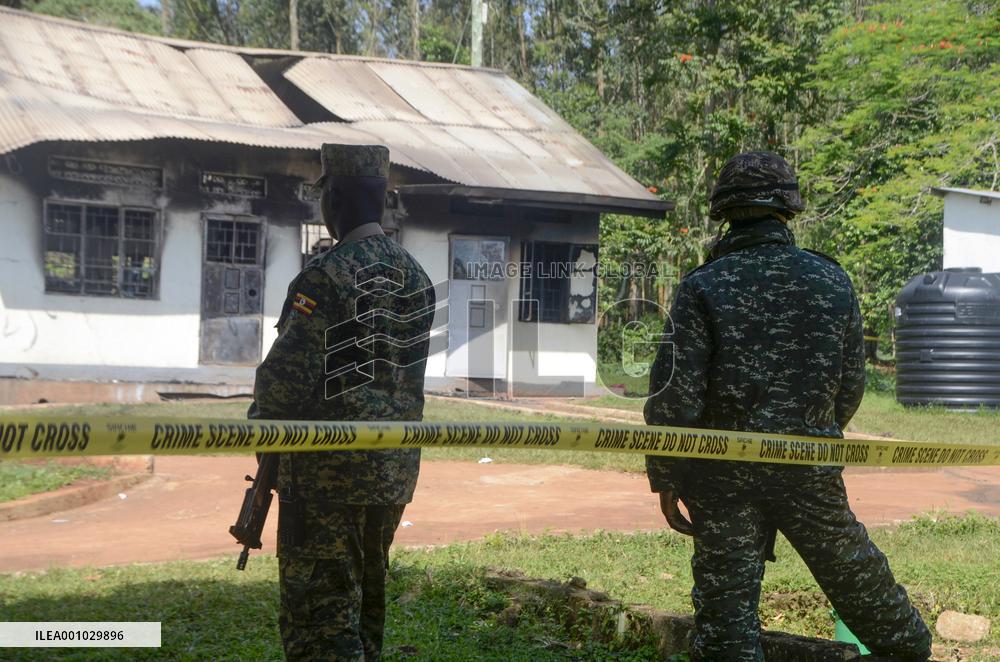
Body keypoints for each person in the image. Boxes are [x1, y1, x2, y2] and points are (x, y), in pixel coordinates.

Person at [644, 151, 932, 661]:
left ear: (724, 212)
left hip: (722, 474)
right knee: (857, 576)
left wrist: (666, 476)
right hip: (809, 467)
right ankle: (910, 650)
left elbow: (675, 397)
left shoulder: (703, 286)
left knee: (726, 618)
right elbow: (850, 386)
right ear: (787, 209)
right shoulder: (831, 280)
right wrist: (812, 435)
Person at [248, 143, 435, 661]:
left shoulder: (325, 276)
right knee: (366, 607)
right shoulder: (416, 276)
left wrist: (266, 441)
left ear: (332, 197)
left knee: (320, 623)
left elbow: (284, 380)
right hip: (392, 474)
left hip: (325, 477)